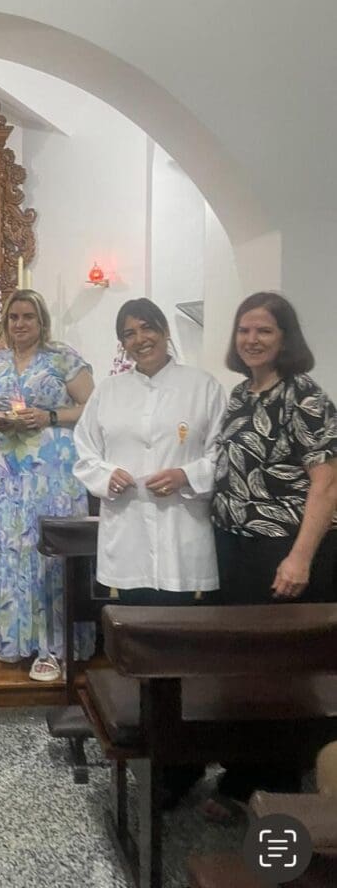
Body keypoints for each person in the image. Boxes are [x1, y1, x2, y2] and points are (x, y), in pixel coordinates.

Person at [206, 291, 337, 819]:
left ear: (286, 339)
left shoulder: (304, 396)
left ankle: (277, 788)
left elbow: (327, 483)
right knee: (246, 670)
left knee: (281, 675)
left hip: (283, 550)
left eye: (264, 331)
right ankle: (246, 775)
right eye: (245, 330)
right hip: (237, 548)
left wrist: (300, 558)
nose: (252, 340)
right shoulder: (242, 395)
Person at [0, 290, 95, 681]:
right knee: (12, 547)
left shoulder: (62, 357)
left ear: (42, 321)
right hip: (8, 475)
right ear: (5, 322)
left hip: (53, 474)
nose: (20, 323)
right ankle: (15, 637)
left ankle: (54, 643)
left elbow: (93, 408)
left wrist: (49, 416)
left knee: (48, 550)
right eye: (14, 317)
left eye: (28, 316)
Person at [73, 298, 226, 605]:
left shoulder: (202, 387)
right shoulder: (108, 391)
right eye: (129, 334)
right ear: (122, 344)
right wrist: (107, 475)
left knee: (182, 620)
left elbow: (221, 456)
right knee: (134, 618)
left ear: (165, 331)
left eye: (147, 328)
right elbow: (85, 452)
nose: (140, 339)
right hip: (128, 532)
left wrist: (185, 476)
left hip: (182, 527)